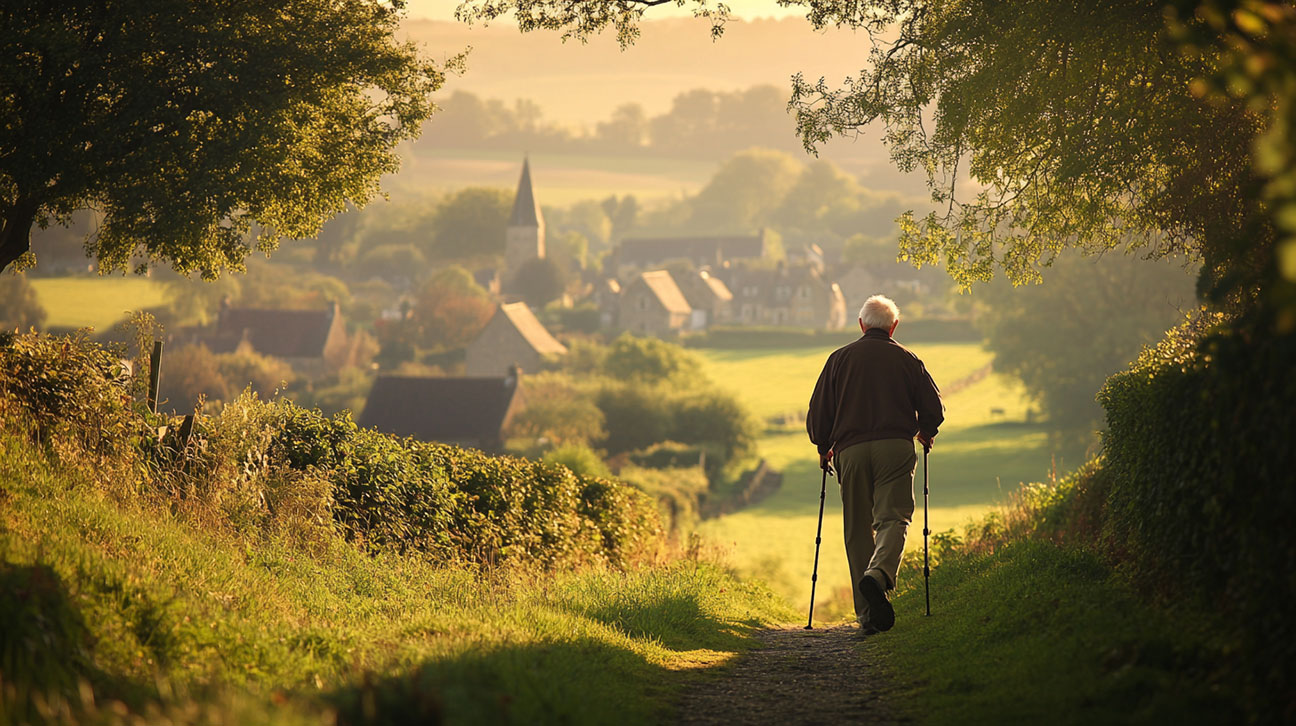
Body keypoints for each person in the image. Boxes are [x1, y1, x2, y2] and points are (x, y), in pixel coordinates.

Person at [806, 294, 943, 633]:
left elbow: (819, 412)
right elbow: (934, 408)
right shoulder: (908, 359)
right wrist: (925, 431)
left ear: (861, 325)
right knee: (893, 518)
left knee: (856, 530)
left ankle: (868, 615)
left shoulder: (838, 359)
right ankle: (878, 575)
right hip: (895, 448)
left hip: (849, 451)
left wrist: (823, 445)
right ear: (894, 327)